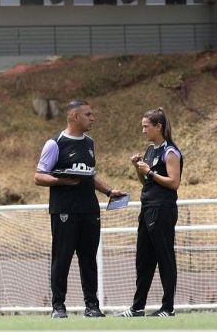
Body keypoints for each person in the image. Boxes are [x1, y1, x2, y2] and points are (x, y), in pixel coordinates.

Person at [34, 99, 126, 319]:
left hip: (89, 210)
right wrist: (61, 181)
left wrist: (108, 191)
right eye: (88, 114)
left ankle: (92, 306)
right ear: (74, 116)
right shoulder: (55, 143)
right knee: (62, 258)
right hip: (64, 210)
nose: (92, 118)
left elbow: (89, 176)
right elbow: (38, 176)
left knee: (88, 259)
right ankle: (58, 306)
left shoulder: (89, 143)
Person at [118, 108, 182, 318]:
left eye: (146, 126)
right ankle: (137, 307)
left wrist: (150, 172)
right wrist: (139, 168)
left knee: (165, 256)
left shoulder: (170, 152)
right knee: (143, 258)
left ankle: (168, 307)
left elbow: (174, 183)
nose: (143, 130)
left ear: (158, 127)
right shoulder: (150, 150)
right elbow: (146, 182)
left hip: (162, 209)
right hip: (147, 208)